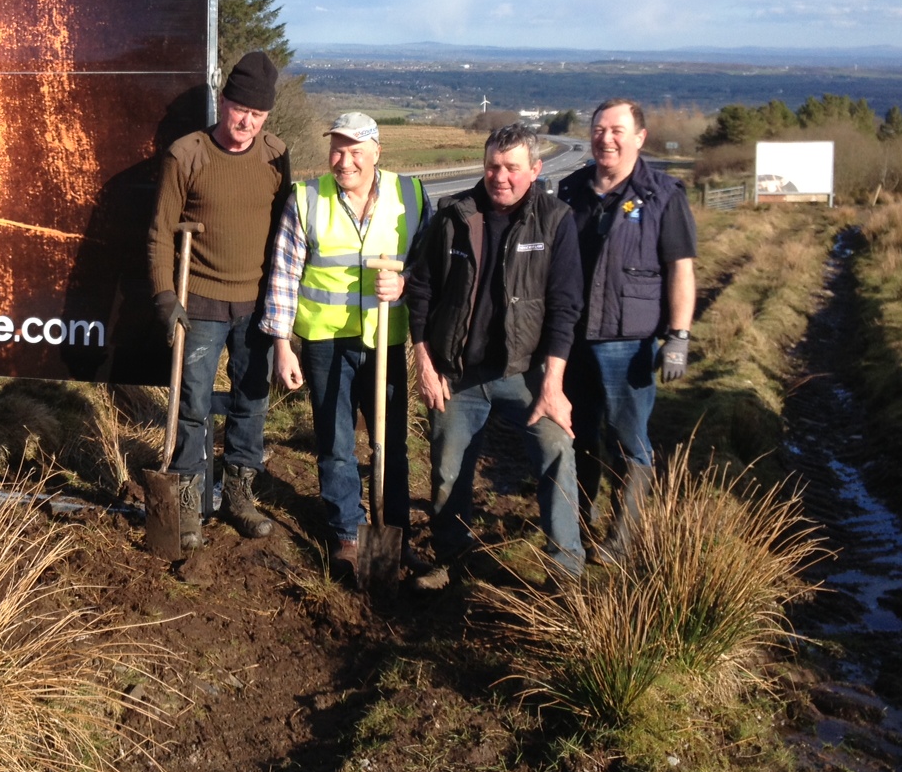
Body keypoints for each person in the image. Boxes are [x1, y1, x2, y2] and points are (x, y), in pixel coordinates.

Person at [405, 123, 585, 580]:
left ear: (535, 169)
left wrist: (553, 385)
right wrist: (424, 362)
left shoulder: (555, 221)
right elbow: (422, 290)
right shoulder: (453, 216)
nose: (499, 176)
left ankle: (566, 574)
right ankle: (451, 560)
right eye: (492, 166)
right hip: (458, 374)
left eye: (511, 168)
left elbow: (566, 306)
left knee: (557, 452)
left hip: (526, 374)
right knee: (448, 470)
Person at [263, 112, 429, 578]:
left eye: (356, 150)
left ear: (378, 151)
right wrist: (282, 343)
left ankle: (393, 532)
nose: (345, 160)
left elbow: (429, 267)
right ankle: (347, 535)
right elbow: (283, 275)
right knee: (336, 443)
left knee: (390, 443)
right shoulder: (307, 198)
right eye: (338, 149)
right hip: (324, 341)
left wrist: (406, 282)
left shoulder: (410, 195)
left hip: (384, 340)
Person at [148, 50, 291, 550]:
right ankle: (188, 499)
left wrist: (283, 308)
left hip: (256, 305)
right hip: (201, 301)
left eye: (257, 115)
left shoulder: (276, 155)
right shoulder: (186, 154)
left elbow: (284, 232)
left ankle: (239, 494)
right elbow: (161, 233)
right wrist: (165, 296)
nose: (246, 123)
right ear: (223, 100)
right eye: (239, 110)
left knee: (252, 402)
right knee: (193, 403)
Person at [557, 98, 697, 563]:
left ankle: (625, 534)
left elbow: (680, 269)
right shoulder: (570, 191)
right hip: (573, 336)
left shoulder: (663, 195)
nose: (606, 138)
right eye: (598, 129)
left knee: (627, 435)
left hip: (627, 338)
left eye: (617, 129)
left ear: (640, 137)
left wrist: (678, 336)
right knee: (577, 431)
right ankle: (579, 519)